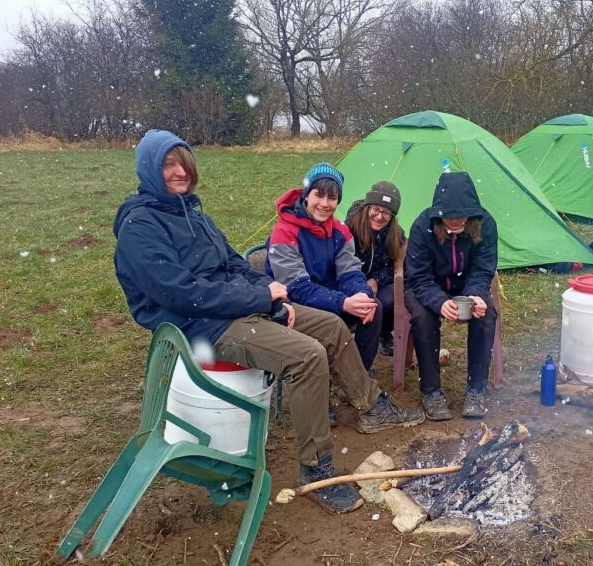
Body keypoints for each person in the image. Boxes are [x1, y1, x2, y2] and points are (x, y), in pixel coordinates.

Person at [113, 129, 423, 515]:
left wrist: (272, 294)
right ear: (148, 168)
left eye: (184, 164)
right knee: (307, 356)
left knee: (332, 327)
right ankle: (315, 466)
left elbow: (234, 263)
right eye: (167, 165)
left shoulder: (193, 215)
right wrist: (262, 299)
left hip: (233, 308)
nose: (179, 173)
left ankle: (372, 405)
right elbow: (181, 294)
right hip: (199, 326)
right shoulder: (141, 227)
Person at [265, 164, 384, 370]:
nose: (325, 204)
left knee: (372, 306)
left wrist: (361, 294)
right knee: (332, 321)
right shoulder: (284, 231)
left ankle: (359, 372)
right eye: (319, 196)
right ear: (306, 196)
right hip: (293, 302)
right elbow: (296, 288)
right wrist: (342, 302)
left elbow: (350, 272)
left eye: (332, 198)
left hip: (328, 295)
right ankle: (346, 375)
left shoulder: (340, 231)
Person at [404, 171, 498, 420]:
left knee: (486, 314)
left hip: (466, 285)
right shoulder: (422, 226)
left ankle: (476, 389)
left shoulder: (486, 224)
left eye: (461, 215)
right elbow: (419, 277)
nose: (455, 221)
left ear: (472, 212)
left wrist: (475, 295)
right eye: (449, 215)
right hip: (425, 285)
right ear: (438, 213)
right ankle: (431, 392)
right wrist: (439, 302)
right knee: (423, 318)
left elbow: (482, 270)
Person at [345, 181, 405, 357]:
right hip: (348, 283)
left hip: (378, 285)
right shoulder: (349, 227)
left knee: (398, 293)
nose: (379, 217)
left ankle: (382, 332)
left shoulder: (396, 234)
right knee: (367, 303)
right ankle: (350, 328)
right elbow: (341, 262)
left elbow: (398, 264)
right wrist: (360, 285)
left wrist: (377, 279)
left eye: (386, 213)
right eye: (376, 209)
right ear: (367, 207)